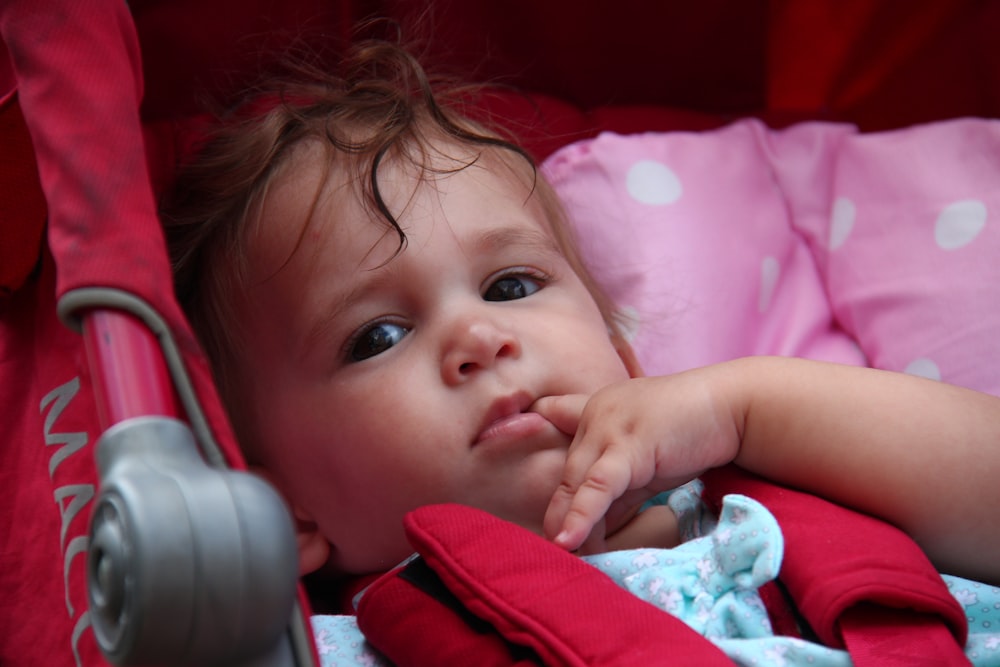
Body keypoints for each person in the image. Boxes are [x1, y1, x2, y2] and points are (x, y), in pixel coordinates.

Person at [161, 38, 1000, 596]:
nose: (478, 338)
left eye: (512, 286)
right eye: (378, 335)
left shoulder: (743, 490)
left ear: (624, 358)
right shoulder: (330, 644)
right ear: (289, 512)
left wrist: (740, 409)